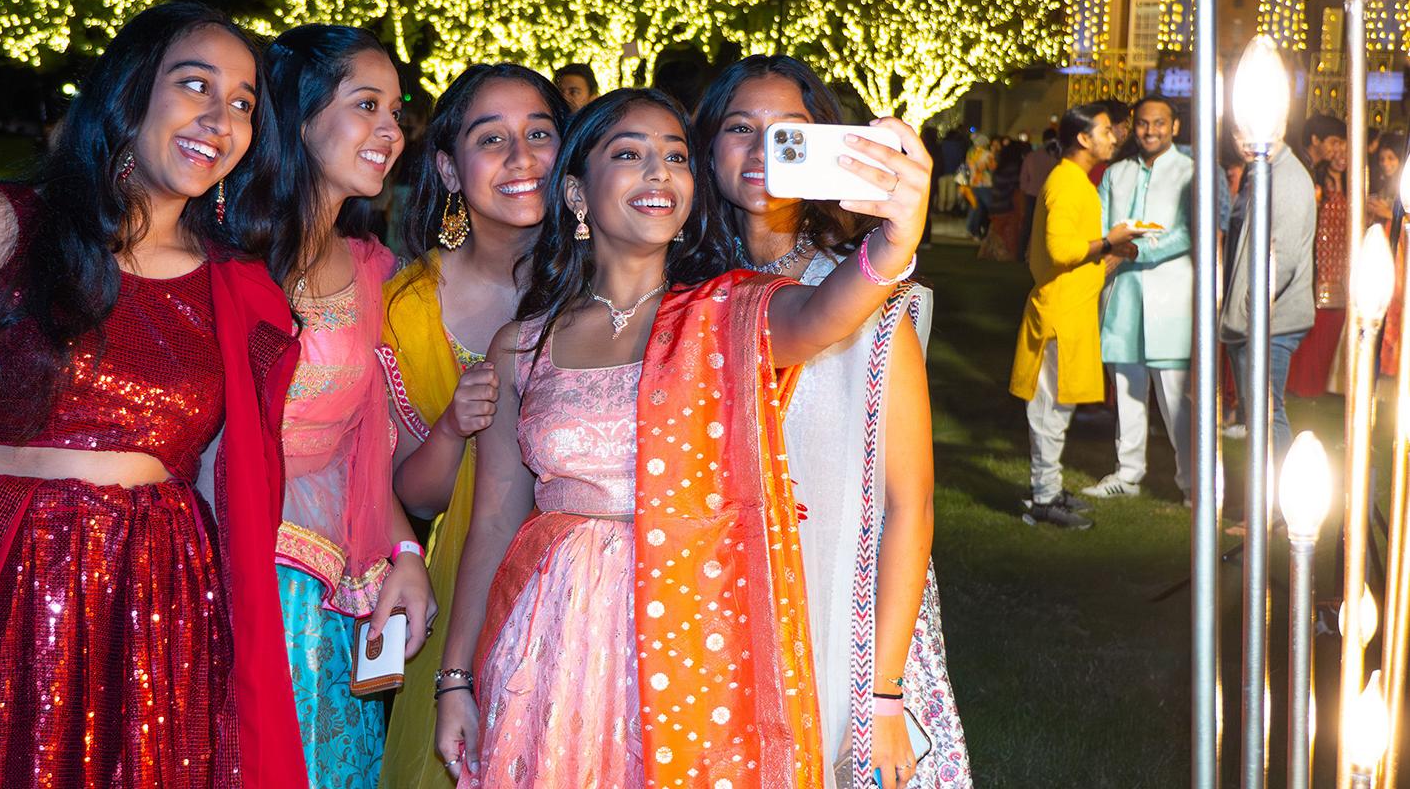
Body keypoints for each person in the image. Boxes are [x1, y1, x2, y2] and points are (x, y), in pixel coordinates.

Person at [434, 88, 930, 787]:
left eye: (675, 156)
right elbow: (492, 523)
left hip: (689, 635)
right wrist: (454, 678)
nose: (659, 172)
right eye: (630, 154)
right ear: (576, 191)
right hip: (551, 648)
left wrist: (894, 239)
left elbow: (824, 313)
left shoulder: (725, 313)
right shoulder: (522, 346)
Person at [0, 3, 309, 787]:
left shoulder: (240, 291)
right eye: (194, 84)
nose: (218, 117)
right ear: (129, 93)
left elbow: (230, 492)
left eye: (241, 102)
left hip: (153, 615)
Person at [694, 55, 971, 787]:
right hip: (704, 605)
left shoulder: (869, 297)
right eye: (739, 129)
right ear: (705, 147)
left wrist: (882, 694)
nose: (760, 153)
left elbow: (909, 504)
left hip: (838, 614)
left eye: (789, 135)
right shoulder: (675, 293)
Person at [226, 25, 435, 787]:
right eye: (366, 105)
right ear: (301, 116)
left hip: (322, 584)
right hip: (217, 568)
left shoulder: (375, 269)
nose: (390, 130)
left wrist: (405, 554)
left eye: (396, 110)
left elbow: (362, 443)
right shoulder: (216, 252)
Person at [378, 63, 568, 789]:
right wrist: (454, 426)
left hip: (591, 580)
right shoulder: (408, 304)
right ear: (449, 169)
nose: (522, 158)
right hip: (464, 583)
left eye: (540, 133)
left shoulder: (611, 284)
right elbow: (416, 497)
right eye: (492, 139)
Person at [1009, 103, 1143, 529]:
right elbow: (1062, 251)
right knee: (1049, 409)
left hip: (1071, 310)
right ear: (1083, 138)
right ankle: (1043, 498)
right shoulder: (1066, 182)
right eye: (1105, 130)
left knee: (1057, 409)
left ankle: (1048, 491)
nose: (1113, 137)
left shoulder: (1075, 181)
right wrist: (1109, 240)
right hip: (1059, 315)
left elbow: (1069, 256)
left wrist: (1113, 253)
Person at [1083, 95, 1196, 502]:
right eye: (1144, 124)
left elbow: (1188, 231)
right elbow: (1100, 222)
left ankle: (1194, 485)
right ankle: (1127, 473)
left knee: (1175, 399)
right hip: (1123, 296)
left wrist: (1138, 250)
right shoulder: (1117, 173)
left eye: (1159, 123)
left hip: (1170, 299)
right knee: (1128, 391)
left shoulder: (1190, 172)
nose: (1151, 131)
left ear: (1175, 127)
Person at [1220, 116, 1316, 457]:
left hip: (1271, 320)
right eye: (1237, 132)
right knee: (1260, 413)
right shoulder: (1263, 170)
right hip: (1257, 318)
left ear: (1278, 126)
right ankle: (1267, 499)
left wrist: (1249, 310)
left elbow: (1284, 257)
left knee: (1266, 413)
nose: (1244, 139)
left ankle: (1277, 504)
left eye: (1250, 127)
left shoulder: (1287, 178)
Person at [1284, 116, 1349, 398]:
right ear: (1316, 140)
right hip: (1314, 259)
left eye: (1343, 147)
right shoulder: (1311, 175)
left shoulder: (1350, 183)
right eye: (1335, 144)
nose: (1338, 153)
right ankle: (1298, 383)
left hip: (1339, 262)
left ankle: (1314, 384)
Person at [1018, 127, 1061, 261]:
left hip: (1032, 194)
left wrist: (1027, 189)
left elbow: (1023, 179)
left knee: (1028, 225)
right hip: (1049, 195)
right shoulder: (1057, 157)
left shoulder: (1032, 156)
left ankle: (1021, 253)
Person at [963, 133, 994, 238]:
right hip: (985, 184)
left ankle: (971, 229)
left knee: (975, 208)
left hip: (973, 183)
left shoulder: (970, 153)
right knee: (990, 207)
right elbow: (992, 167)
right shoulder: (987, 154)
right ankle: (987, 229)